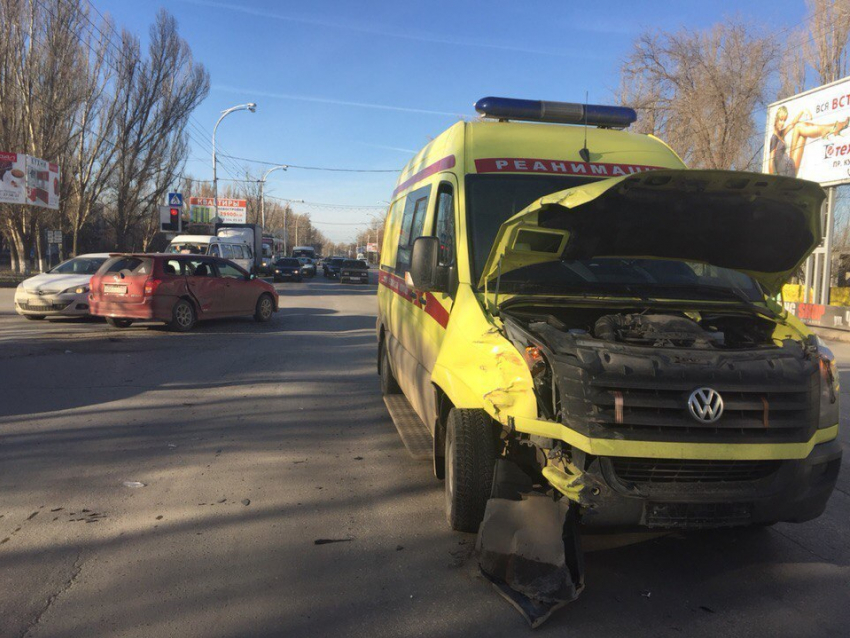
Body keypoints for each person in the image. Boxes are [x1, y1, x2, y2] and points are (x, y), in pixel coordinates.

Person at [769, 105, 850, 177]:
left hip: (789, 167)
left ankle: (831, 128)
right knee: (798, 128)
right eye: (780, 120)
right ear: (776, 119)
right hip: (785, 174)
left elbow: (792, 123)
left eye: (784, 120)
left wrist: (803, 111)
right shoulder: (774, 138)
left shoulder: (781, 134)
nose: (782, 123)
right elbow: (770, 161)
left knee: (799, 126)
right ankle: (830, 129)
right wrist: (774, 180)